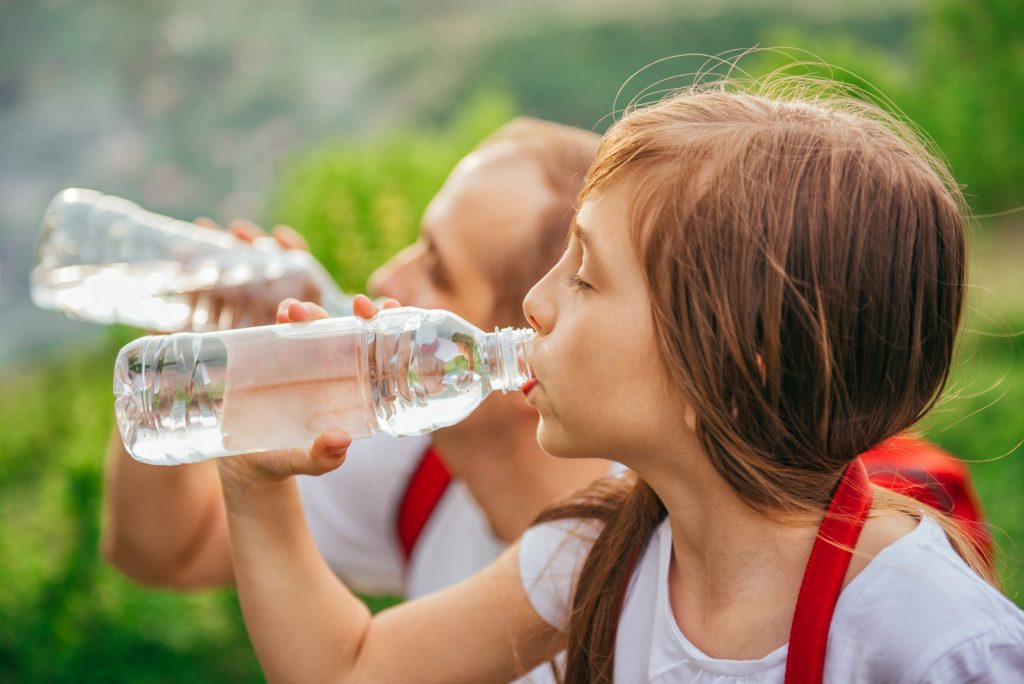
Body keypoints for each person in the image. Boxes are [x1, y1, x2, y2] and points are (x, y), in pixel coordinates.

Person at [213, 77, 1024, 683]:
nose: (534, 302)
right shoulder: (600, 548)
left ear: (733, 363)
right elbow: (350, 670)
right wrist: (253, 479)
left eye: (586, 277)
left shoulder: (931, 640)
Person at [100, 117, 613, 596]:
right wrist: (190, 340)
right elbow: (165, 554)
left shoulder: (625, 579)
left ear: (531, 358)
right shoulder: (420, 470)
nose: (383, 280)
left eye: (435, 269)